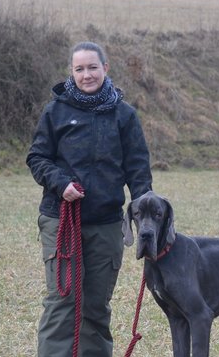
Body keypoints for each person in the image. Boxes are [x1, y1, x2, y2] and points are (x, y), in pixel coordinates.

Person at [27, 41, 153, 357]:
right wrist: (60, 183)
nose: (87, 75)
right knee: (62, 301)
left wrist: (146, 217)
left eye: (92, 67)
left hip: (107, 224)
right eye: (80, 69)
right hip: (61, 219)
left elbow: (138, 170)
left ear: (105, 69)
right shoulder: (55, 111)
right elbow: (38, 157)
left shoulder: (124, 116)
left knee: (96, 304)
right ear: (72, 72)